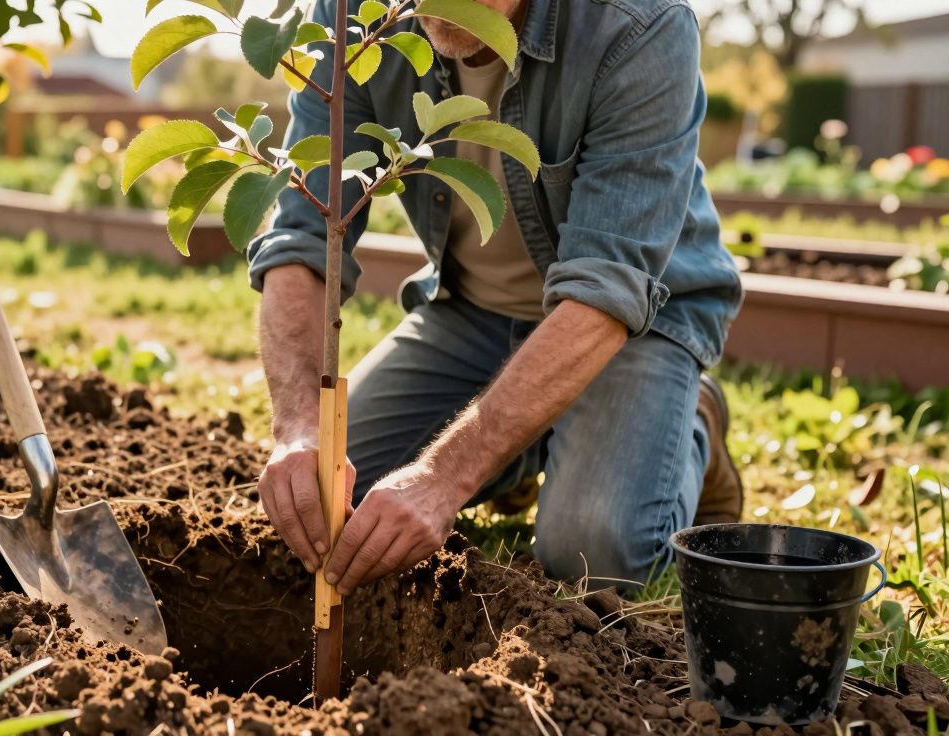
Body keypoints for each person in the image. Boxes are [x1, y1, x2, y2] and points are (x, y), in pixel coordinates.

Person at [246, 0, 745, 597]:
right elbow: (302, 236)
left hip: (627, 325)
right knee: (326, 503)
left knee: (593, 553)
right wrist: (301, 427)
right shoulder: (353, 17)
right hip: (471, 312)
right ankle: (522, 446)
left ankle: (693, 428)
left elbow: (608, 288)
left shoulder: (640, 26)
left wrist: (444, 477)